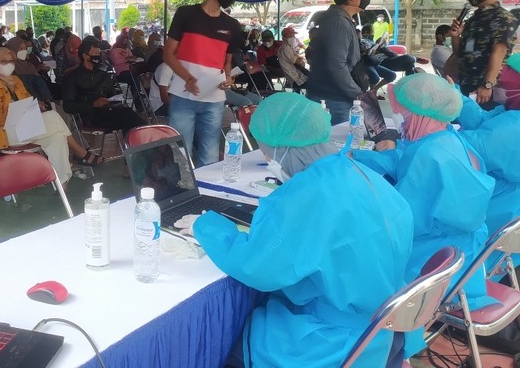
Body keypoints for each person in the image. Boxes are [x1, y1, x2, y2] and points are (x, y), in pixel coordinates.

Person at [176, 93, 413, 368]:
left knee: (225, 341)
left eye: (267, 152)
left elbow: (256, 266)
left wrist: (206, 227)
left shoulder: (302, 197)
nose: (267, 158)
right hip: (383, 329)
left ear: (283, 150)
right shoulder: (361, 173)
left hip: (332, 343)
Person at [352, 73, 495, 320]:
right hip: (465, 255)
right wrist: (364, 158)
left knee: (358, 255)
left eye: (403, 113)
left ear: (419, 113)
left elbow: (401, 221)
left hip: (431, 258)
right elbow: (404, 158)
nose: (400, 119)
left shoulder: (428, 155)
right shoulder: (448, 136)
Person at [0, 48, 100, 185]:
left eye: (11, 61)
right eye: (4, 61)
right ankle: (80, 152)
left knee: (57, 138)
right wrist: (16, 111)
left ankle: (62, 185)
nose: (9, 64)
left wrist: (35, 106)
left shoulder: (16, 80)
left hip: (25, 127)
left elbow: (27, 100)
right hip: (4, 133)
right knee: (53, 116)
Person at [164, 0, 243, 167]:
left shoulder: (233, 26)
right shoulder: (186, 14)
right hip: (183, 95)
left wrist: (228, 78)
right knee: (180, 154)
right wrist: (188, 78)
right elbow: (168, 54)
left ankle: (206, 187)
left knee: (210, 156)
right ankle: (183, 186)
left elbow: (227, 63)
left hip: (214, 98)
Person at [456, 52, 520, 269]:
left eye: (505, 84)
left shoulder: (513, 128)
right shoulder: (512, 113)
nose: (499, 88)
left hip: (502, 212)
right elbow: (484, 122)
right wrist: (457, 98)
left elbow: (466, 147)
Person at [305, 0, 370, 124]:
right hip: (334, 100)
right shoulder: (338, 23)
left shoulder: (342, 20)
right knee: (339, 138)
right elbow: (336, 65)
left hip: (335, 97)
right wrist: (358, 94)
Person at [450, 0, 517, 108]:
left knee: (482, 119)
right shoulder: (474, 19)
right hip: (466, 81)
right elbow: (460, 53)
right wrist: (455, 36)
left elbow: (499, 52)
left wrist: (487, 85)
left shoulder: (502, 18)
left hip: (486, 87)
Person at [62, 41, 145, 135]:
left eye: (99, 53)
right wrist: (93, 104)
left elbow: (113, 93)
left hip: (108, 111)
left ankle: (140, 139)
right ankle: (143, 140)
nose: (98, 56)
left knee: (129, 116)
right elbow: (68, 106)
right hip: (89, 116)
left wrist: (113, 98)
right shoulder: (73, 77)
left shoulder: (103, 73)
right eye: (95, 53)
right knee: (128, 117)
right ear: (85, 56)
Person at [5, 37, 52, 101]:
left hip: (41, 101)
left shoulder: (28, 65)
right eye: (21, 48)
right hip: (27, 102)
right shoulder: (9, 70)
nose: (24, 51)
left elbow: (40, 84)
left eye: (25, 48)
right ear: (12, 49)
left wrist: (47, 99)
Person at [276, 26, 308, 93]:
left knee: (316, 80)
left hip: (299, 74)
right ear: (284, 37)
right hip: (295, 78)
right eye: (290, 35)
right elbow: (299, 62)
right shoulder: (285, 49)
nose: (293, 37)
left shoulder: (290, 47)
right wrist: (302, 57)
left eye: (293, 35)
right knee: (315, 84)